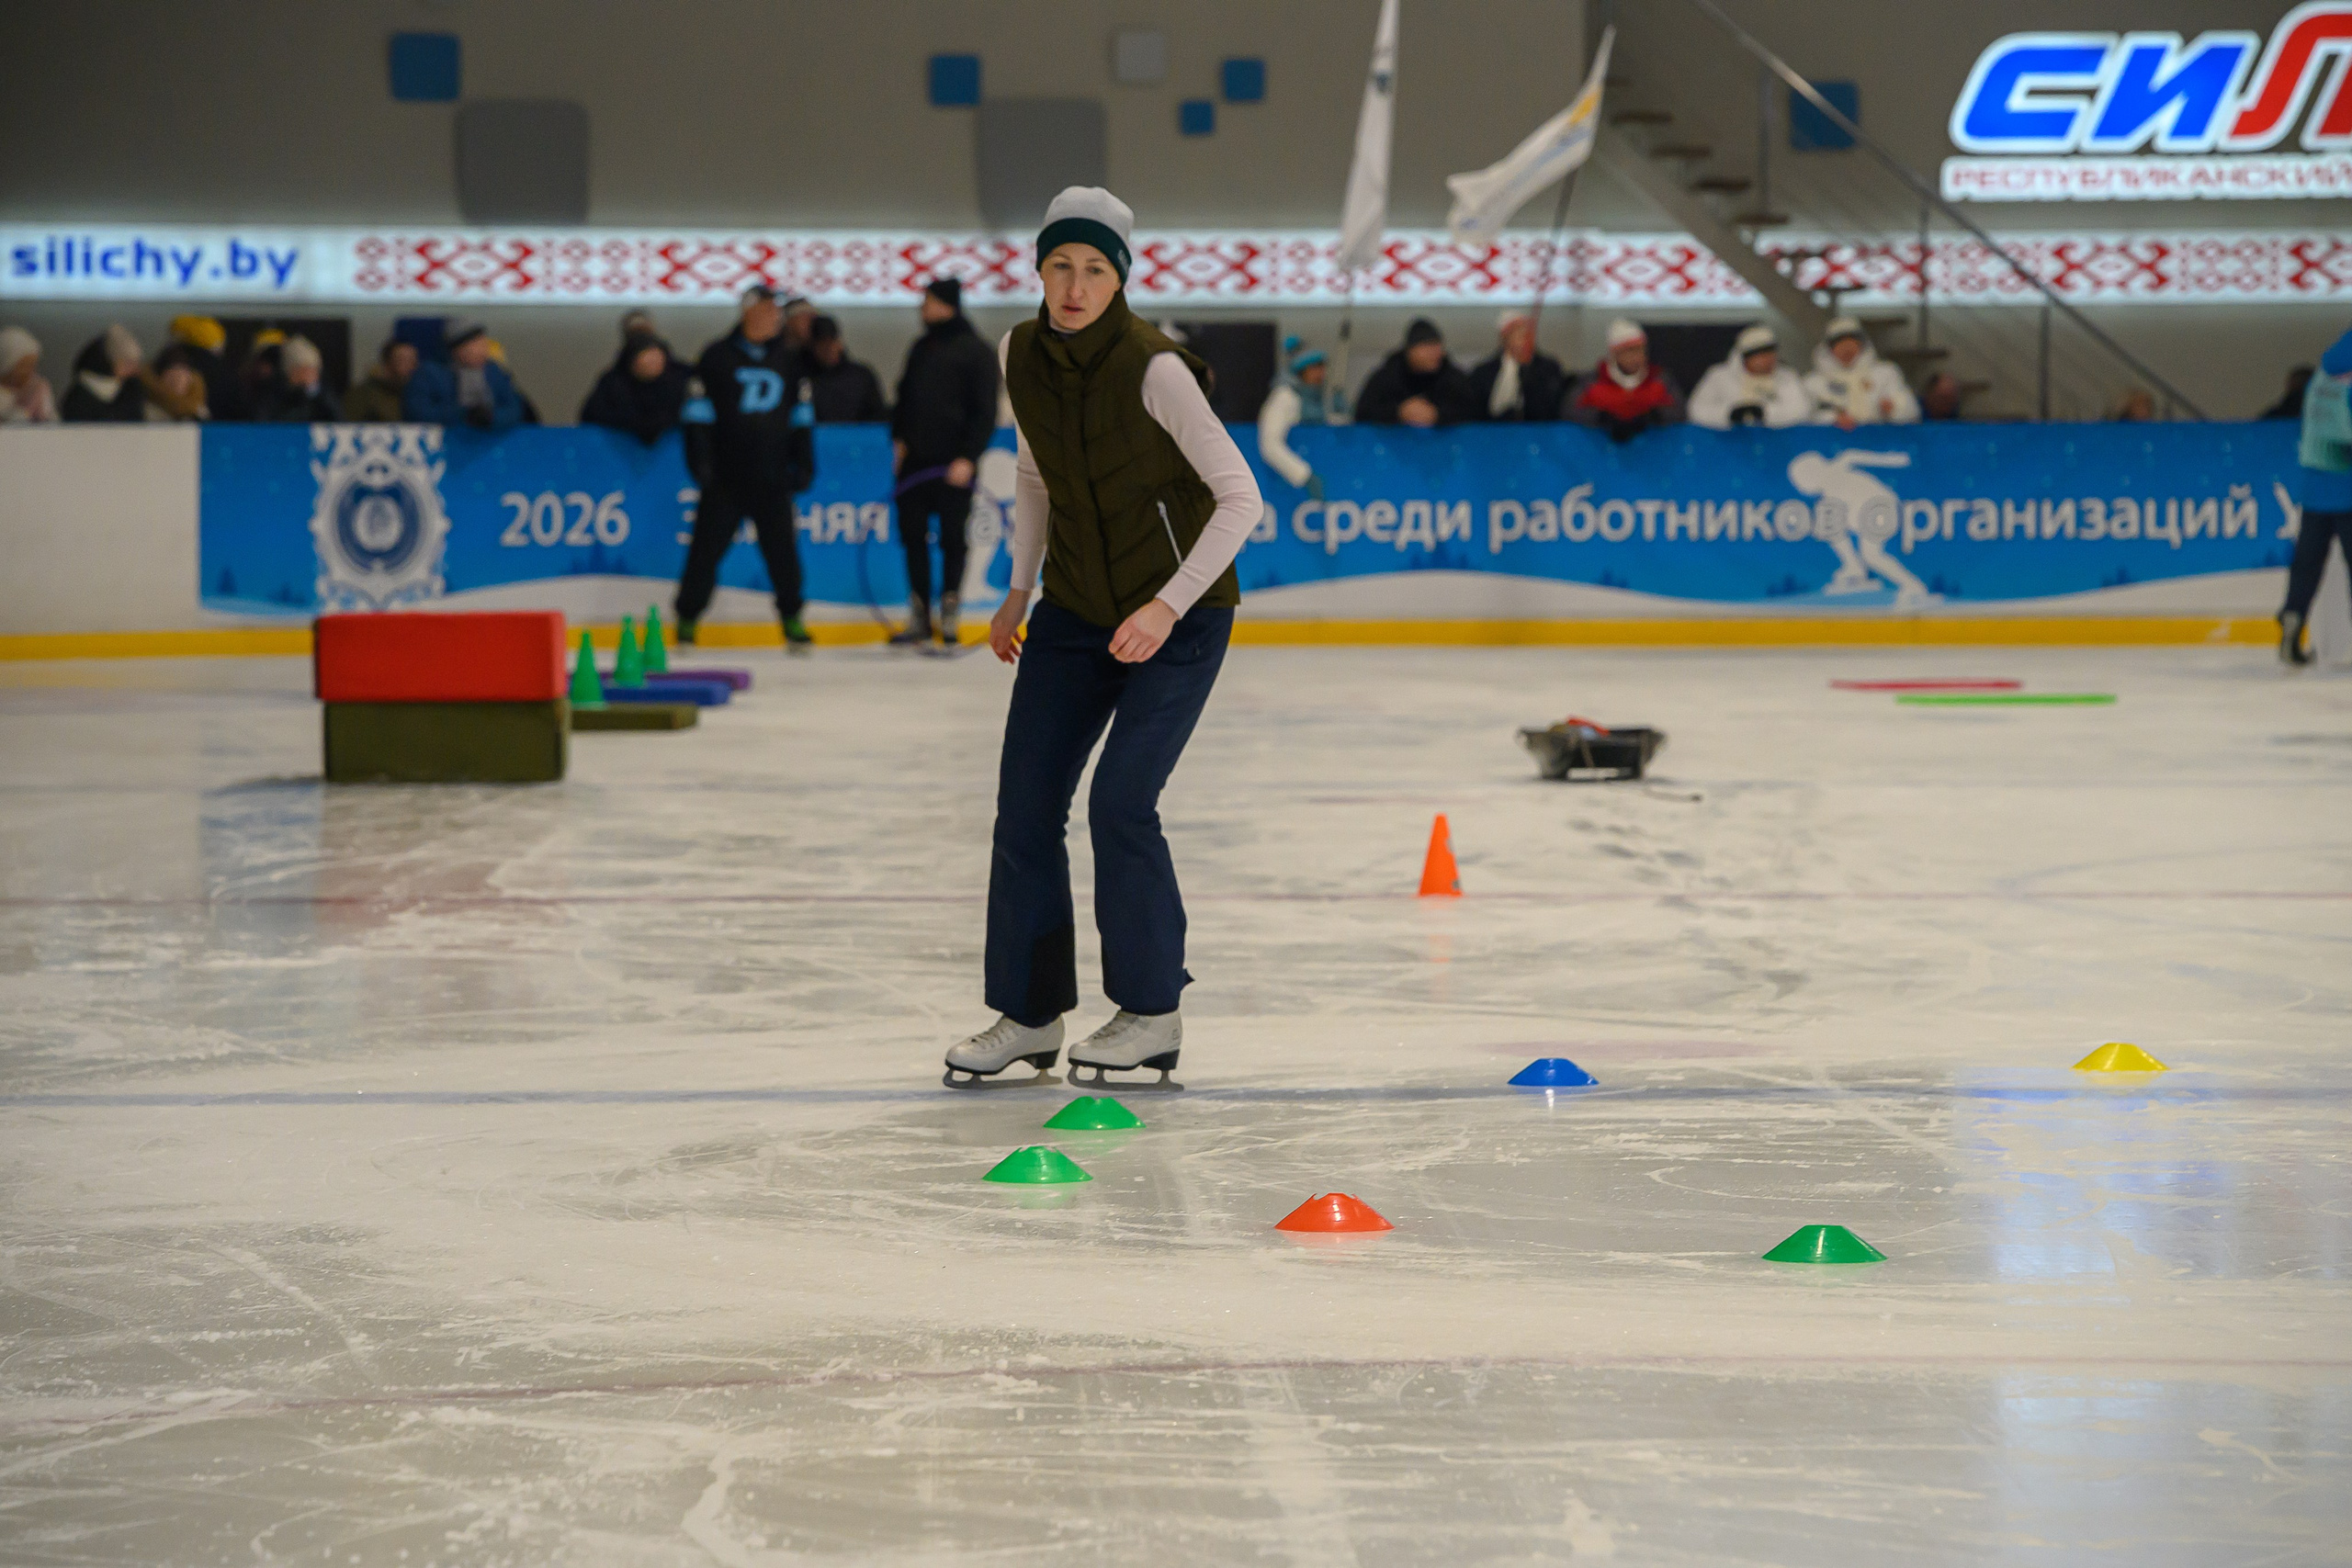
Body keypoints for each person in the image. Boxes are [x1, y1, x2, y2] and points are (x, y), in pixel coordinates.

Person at [941, 186, 1261, 1090]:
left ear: (1119, 279)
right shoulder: (1019, 353)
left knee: (1123, 802)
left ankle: (1152, 1014)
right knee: (1025, 810)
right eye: (1060, 267)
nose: (1075, 287)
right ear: (1037, 270)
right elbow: (1035, 471)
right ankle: (1031, 1016)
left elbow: (1241, 498)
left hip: (1182, 619)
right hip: (1075, 611)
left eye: (1094, 271)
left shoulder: (1157, 369)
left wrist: (1163, 607)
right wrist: (1015, 589)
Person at [674, 285, 818, 649]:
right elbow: (697, 417)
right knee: (705, 552)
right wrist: (701, 464)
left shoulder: (788, 359)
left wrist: (803, 464)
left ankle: (792, 620)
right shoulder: (716, 357)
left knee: (783, 554)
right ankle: (688, 620)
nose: (777, 318)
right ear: (748, 312)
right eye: (770, 310)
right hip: (726, 477)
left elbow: (801, 419)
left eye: (778, 312)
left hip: (772, 478)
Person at [888, 276, 1001, 647]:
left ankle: (950, 609)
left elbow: (985, 412)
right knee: (912, 536)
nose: (922, 308)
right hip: (916, 464)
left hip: (955, 464)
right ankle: (920, 613)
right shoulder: (921, 348)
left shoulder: (976, 351)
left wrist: (968, 457)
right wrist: (899, 440)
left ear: (945, 304)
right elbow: (904, 398)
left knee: (953, 537)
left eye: (928, 301)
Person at [2279, 326, 2352, 666]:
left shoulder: (2321, 377)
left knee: (2307, 565)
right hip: (2348, 488)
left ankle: (2293, 617)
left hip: (2315, 489)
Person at [1566, 319, 1683, 443]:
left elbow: (1680, 412)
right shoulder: (1592, 382)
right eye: (1629, 350)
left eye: (1641, 349)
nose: (1637, 356)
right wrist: (1602, 418)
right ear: (1615, 353)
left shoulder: (1660, 380)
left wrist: (1653, 417)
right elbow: (1569, 412)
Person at [1355, 319, 1478, 427]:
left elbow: (1474, 412)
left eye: (1437, 346)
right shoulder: (1387, 377)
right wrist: (1399, 412)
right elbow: (1363, 413)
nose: (1435, 353)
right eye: (1427, 347)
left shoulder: (1453, 379)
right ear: (1410, 351)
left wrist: (1438, 415)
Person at [402, 322, 525, 430]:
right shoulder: (429, 374)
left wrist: (492, 417)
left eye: (484, 345)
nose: (484, 352)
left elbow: (514, 408)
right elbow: (417, 413)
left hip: (489, 443)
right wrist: (462, 414)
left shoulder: (493, 371)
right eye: (477, 346)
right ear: (458, 348)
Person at [1689, 323, 1811, 429]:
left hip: (1777, 445)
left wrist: (1765, 413)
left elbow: (1801, 410)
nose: (1769, 359)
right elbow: (1696, 410)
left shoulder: (1787, 376)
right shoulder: (1719, 376)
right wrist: (1730, 414)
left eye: (1771, 353)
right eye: (1762, 355)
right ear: (1746, 357)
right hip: (1729, 445)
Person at [1804, 316, 1917, 427]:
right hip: (1833, 444)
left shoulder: (1885, 373)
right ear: (1829, 349)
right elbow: (1804, 415)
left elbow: (1912, 411)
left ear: (1862, 345)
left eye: (1851, 343)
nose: (1846, 349)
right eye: (1840, 344)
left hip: (1880, 443)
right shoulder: (1814, 382)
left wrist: (1894, 408)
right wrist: (1832, 418)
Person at [579, 331, 689, 445]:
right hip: (619, 446)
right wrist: (634, 423)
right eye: (647, 357)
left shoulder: (680, 379)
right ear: (632, 361)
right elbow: (592, 414)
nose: (653, 362)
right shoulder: (614, 383)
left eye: (657, 358)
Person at [1258, 336, 1332, 495]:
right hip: (1285, 490)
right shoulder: (1284, 397)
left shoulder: (1319, 399)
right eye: (1314, 368)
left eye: (1322, 367)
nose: (1320, 374)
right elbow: (1269, 444)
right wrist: (1303, 475)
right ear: (1301, 371)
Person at [1467, 310, 1568, 423]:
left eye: (1529, 335)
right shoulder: (1483, 372)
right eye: (1520, 335)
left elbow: (1550, 408)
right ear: (1505, 339)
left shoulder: (1548, 369)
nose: (1526, 341)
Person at [806, 316, 889, 423]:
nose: (828, 349)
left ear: (839, 343)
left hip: (858, 439)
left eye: (831, 342)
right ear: (813, 347)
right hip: (819, 439)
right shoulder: (803, 377)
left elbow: (879, 416)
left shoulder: (861, 376)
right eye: (822, 343)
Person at [61, 326, 146, 423]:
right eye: (128, 363)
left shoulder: (131, 388)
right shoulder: (81, 395)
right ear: (112, 362)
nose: (135, 370)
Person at [251, 336, 340, 422]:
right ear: (290, 371)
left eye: (312, 370)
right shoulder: (274, 392)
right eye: (303, 370)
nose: (308, 375)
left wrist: (312, 391)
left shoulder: (323, 393)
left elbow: (339, 421)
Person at [344, 339, 417, 423]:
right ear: (387, 363)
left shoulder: (416, 395)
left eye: (412, 360)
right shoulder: (363, 394)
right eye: (401, 360)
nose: (409, 366)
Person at [0, 326, 57, 423]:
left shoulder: (38, 388)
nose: (29, 371)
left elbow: (54, 423)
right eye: (23, 366)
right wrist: (22, 405)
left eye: (32, 365)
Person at [141, 344, 212, 423]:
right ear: (160, 379)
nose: (178, 380)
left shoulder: (201, 413)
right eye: (172, 377)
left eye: (182, 375)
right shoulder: (148, 412)